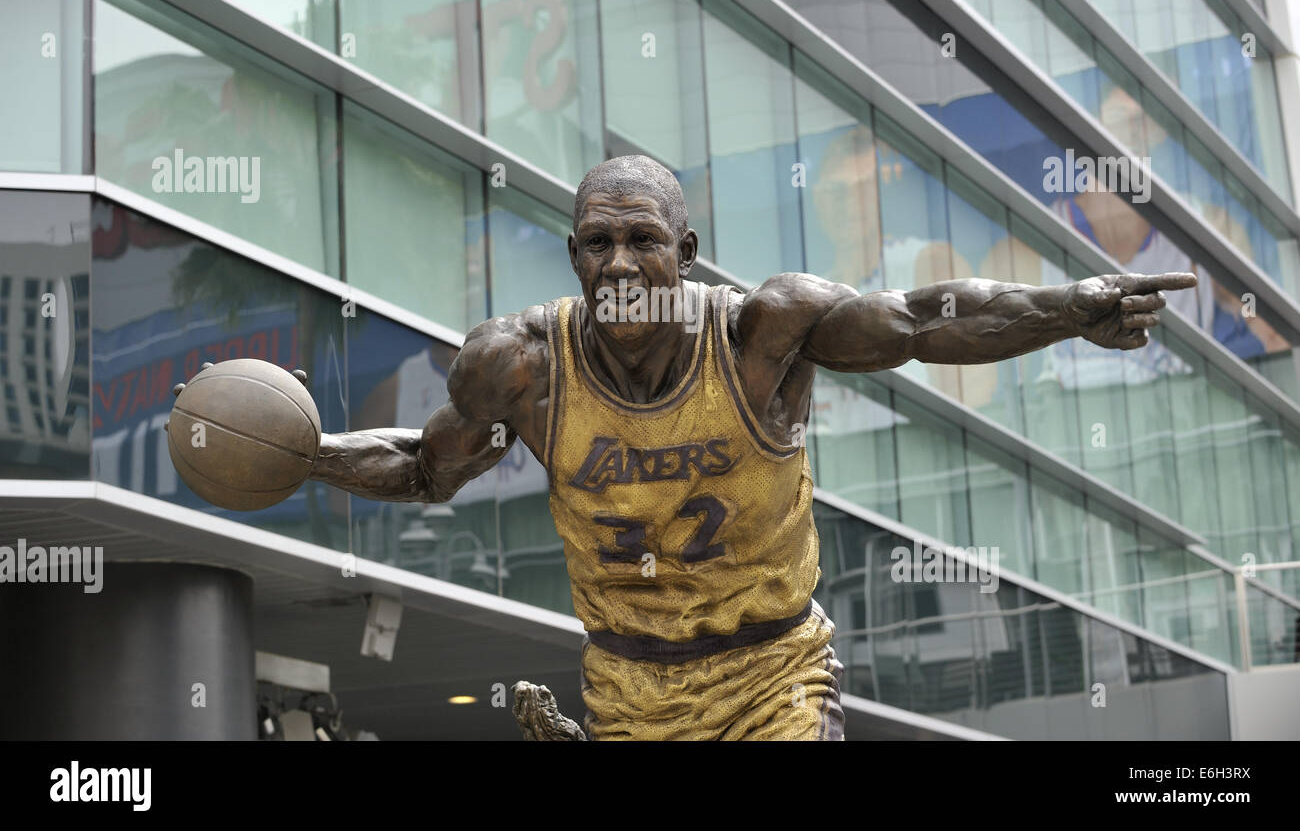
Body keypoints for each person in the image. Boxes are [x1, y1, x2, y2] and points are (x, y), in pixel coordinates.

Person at [307, 154, 1195, 740]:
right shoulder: (522, 366)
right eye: (598, 243)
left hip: (772, 678)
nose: (619, 264)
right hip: (629, 689)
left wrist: (1070, 308)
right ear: (575, 255)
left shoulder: (762, 334)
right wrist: (306, 454)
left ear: (685, 253)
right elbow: (426, 467)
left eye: (643, 240)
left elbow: (925, 321)